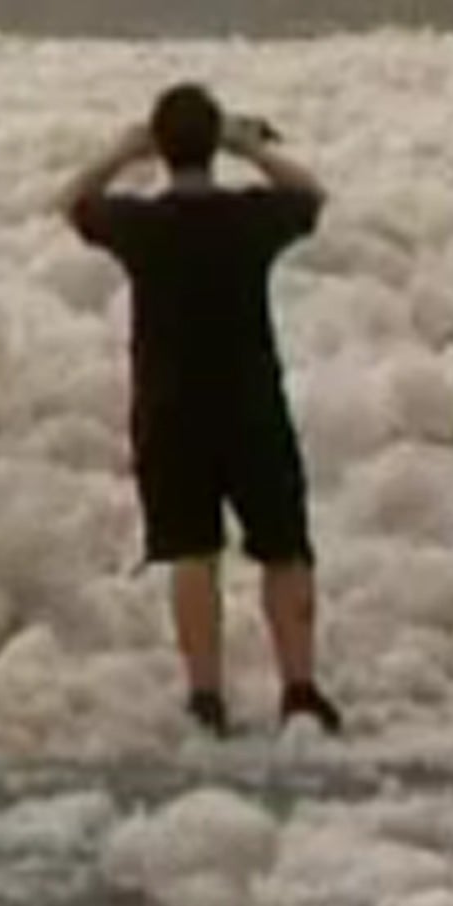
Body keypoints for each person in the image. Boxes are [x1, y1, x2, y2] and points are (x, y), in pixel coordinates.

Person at [57, 82, 342, 739]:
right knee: (285, 549)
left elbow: (71, 202)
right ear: (212, 146)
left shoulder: (142, 225)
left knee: (191, 554)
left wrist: (125, 151)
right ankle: (298, 689)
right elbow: (312, 197)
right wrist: (248, 147)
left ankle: (206, 698)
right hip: (251, 405)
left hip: (168, 410)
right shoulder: (247, 218)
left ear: (163, 148)